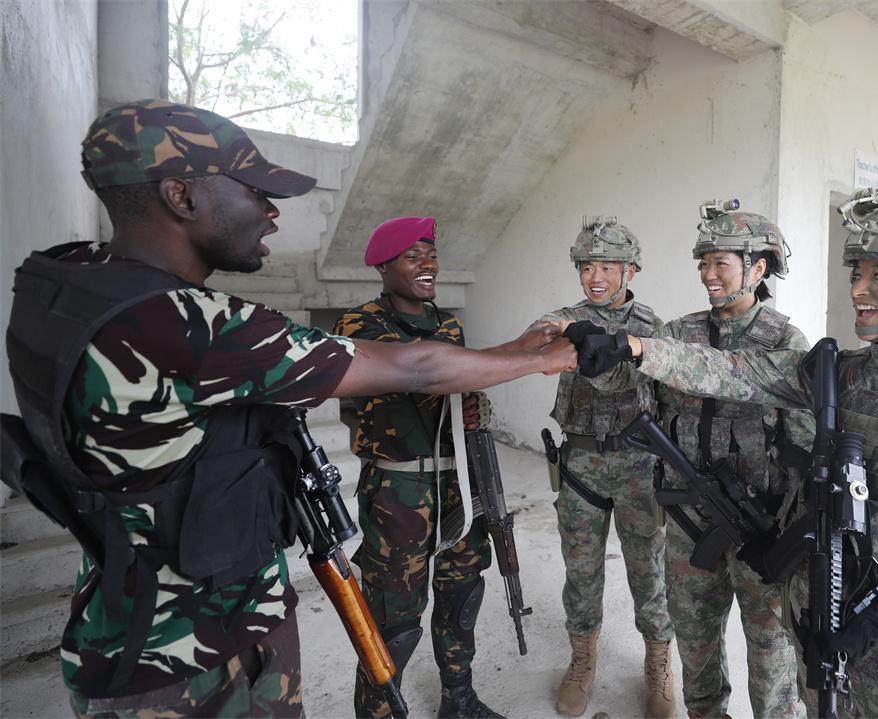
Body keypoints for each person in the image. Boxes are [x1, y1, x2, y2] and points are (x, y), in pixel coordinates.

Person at [4, 99, 575, 719]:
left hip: (128, 618)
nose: (272, 213)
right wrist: (544, 357)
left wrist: (511, 355)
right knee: (396, 619)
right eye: (256, 192)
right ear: (180, 196)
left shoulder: (69, 287)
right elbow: (418, 368)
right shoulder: (190, 327)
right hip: (197, 655)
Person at [567, 189, 878, 717]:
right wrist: (633, 348)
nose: (857, 288)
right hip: (823, 664)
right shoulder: (841, 374)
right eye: (858, 273)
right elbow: (737, 371)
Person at [586, 201, 811, 718]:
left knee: (772, 654)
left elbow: (800, 443)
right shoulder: (678, 331)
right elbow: (626, 379)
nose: (708, 274)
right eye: (703, 263)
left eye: (720, 263)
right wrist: (598, 356)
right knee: (694, 639)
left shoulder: (784, 340)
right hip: (689, 521)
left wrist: (792, 529)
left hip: (761, 524)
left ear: (757, 269)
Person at [334, 216, 515, 719]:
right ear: (382, 265)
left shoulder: (448, 324)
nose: (427, 264)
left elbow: (459, 385)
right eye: (412, 256)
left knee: (462, 595)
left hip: (459, 480)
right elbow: (420, 374)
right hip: (399, 489)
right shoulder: (358, 324)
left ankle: (459, 701)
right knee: (393, 619)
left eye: (431, 255)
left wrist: (473, 403)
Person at [542, 216, 675, 719]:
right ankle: (582, 661)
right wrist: (556, 331)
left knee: (649, 569)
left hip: (639, 463)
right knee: (580, 569)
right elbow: (542, 331)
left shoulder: (652, 329)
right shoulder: (565, 319)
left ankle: (658, 663)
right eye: (586, 267)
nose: (595, 277)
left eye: (606, 267)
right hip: (581, 464)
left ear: (630, 271)